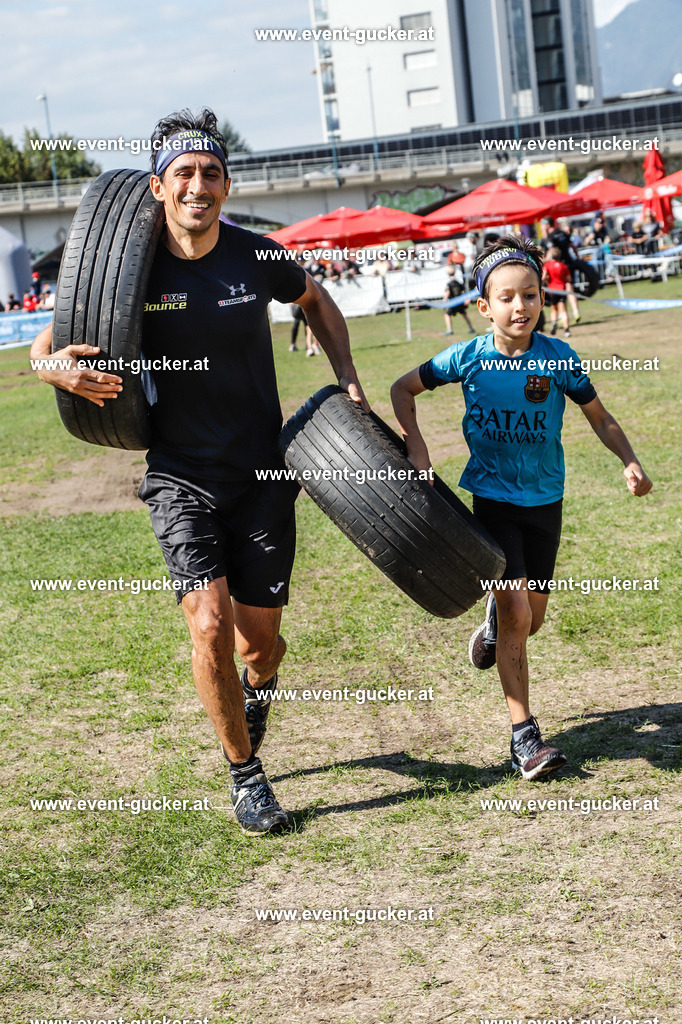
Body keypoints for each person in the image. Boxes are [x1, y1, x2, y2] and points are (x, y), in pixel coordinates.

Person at [29, 107, 367, 836]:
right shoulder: (128, 270)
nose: (198, 185)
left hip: (263, 474)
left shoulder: (256, 256)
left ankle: (258, 689)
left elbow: (317, 300)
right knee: (208, 625)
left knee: (259, 644)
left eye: (211, 172)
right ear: (158, 187)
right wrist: (53, 370)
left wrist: (349, 379)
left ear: (226, 182)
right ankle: (247, 776)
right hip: (179, 476)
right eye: (184, 172)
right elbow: (47, 344)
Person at [390, 234, 652, 780]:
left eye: (530, 295)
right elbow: (402, 389)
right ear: (484, 306)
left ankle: (491, 631)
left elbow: (599, 417)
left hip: (546, 502)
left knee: (531, 620)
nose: (520, 307)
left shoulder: (559, 358)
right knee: (517, 613)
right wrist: (414, 442)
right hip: (491, 501)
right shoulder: (468, 356)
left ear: (542, 298)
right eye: (507, 297)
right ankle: (523, 737)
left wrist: (628, 459)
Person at [542, 246, 571, 338]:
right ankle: (566, 330)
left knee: (554, 309)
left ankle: (554, 322)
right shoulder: (563, 266)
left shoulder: (547, 265)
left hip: (552, 290)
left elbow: (543, 277)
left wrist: (548, 278)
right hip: (562, 289)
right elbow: (569, 279)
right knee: (563, 310)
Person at [442, 266, 475, 336]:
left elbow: (447, 293)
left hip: (453, 303)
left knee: (447, 315)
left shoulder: (449, 284)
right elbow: (464, 291)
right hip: (460, 302)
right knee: (464, 315)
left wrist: (443, 302)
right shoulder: (458, 283)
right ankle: (471, 328)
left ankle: (449, 330)